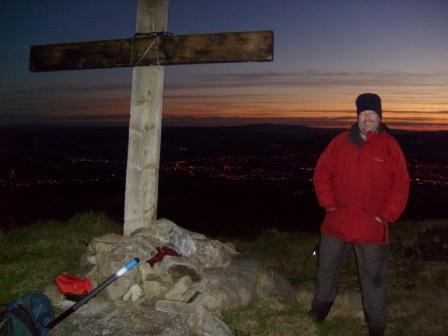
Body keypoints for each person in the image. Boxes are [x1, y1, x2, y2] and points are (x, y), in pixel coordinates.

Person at [309, 93, 409, 336]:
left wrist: (386, 215)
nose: (367, 118)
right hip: (336, 222)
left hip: (371, 227)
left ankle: (376, 328)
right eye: (363, 113)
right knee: (326, 271)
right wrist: (329, 203)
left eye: (372, 114)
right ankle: (317, 316)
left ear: (379, 116)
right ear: (357, 116)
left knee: (374, 280)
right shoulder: (340, 142)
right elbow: (322, 172)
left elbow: (401, 184)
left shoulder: (389, 146)